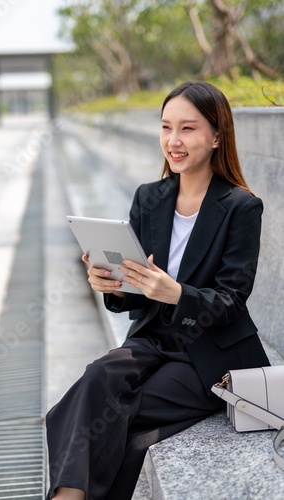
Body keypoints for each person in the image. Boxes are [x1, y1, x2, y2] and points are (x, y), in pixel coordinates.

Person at [45, 81, 270, 500]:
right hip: (154, 337)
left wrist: (177, 293)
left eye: (188, 128)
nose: (174, 141)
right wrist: (110, 284)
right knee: (98, 377)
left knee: (110, 418)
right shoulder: (149, 198)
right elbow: (135, 289)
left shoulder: (241, 206)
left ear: (217, 135)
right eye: (166, 127)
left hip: (211, 354)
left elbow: (232, 300)